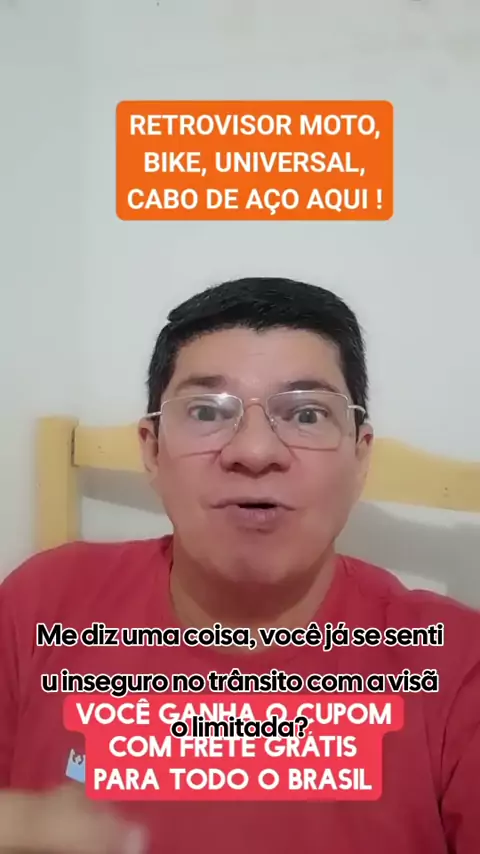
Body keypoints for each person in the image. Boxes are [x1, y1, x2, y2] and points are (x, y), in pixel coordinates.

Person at [0, 276, 479, 854]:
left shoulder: (458, 667)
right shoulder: (40, 605)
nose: (254, 452)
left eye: (306, 415)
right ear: (151, 449)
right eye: (206, 410)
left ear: (360, 456)